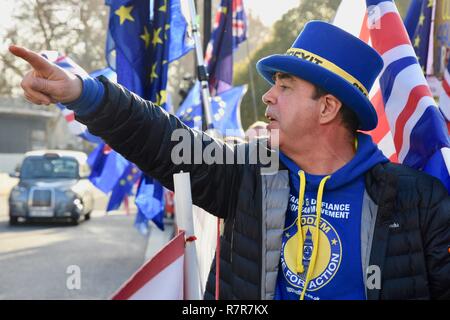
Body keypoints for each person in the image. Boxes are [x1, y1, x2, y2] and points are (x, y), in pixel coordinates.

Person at [9, 21, 450, 300]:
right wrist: (84, 93)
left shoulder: (419, 201)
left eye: (286, 85)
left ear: (328, 108)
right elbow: (163, 139)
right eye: (274, 83)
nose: (270, 96)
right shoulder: (246, 174)